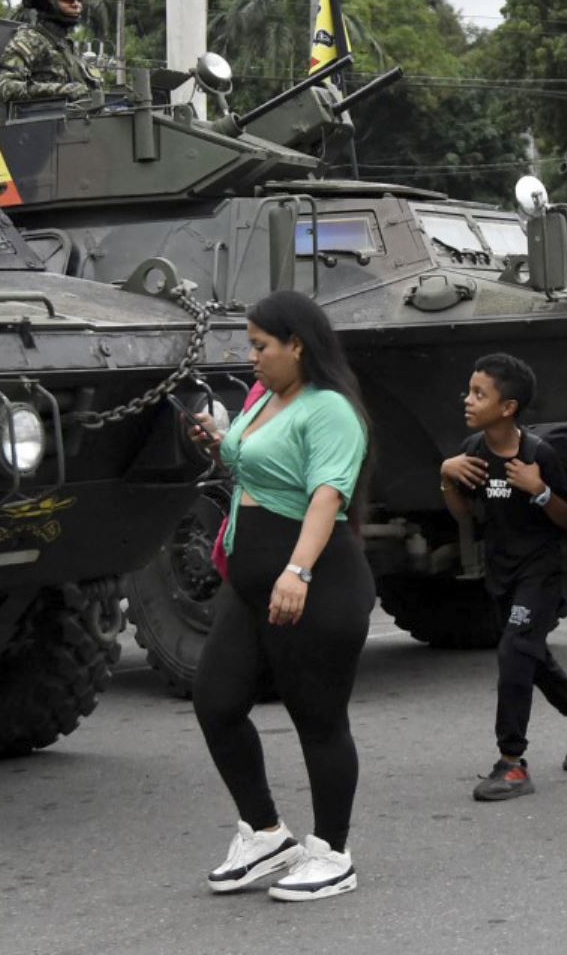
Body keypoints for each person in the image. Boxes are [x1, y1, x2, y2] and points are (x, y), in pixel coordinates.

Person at [187, 290, 373, 902]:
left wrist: (297, 572)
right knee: (216, 700)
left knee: (318, 721)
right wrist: (220, 442)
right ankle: (266, 832)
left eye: (261, 345)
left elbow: (327, 495)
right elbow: (259, 469)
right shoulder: (266, 397)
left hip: (316, 586)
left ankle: (332, 853)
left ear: (298, 345)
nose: (252, 356)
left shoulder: (330, 410)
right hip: (253, 587)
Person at [439, 353, 567, 803]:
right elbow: (466, 514)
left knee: (515, 652)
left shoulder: (540, 455)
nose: (468, 400)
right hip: (501, 570)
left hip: (542, 570)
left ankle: (512, 762)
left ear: (508, 407)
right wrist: (447, 478)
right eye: (470, 390)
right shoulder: (472, 451)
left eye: (480, 394)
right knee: (529, 653)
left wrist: (539, 491)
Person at [0, 0, 102, 105]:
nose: (77, 4)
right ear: (46, 2)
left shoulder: (67, 46)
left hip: (77, 122)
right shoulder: (29, 40)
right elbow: (5, 88)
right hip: (41, 124)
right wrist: (61, 91)